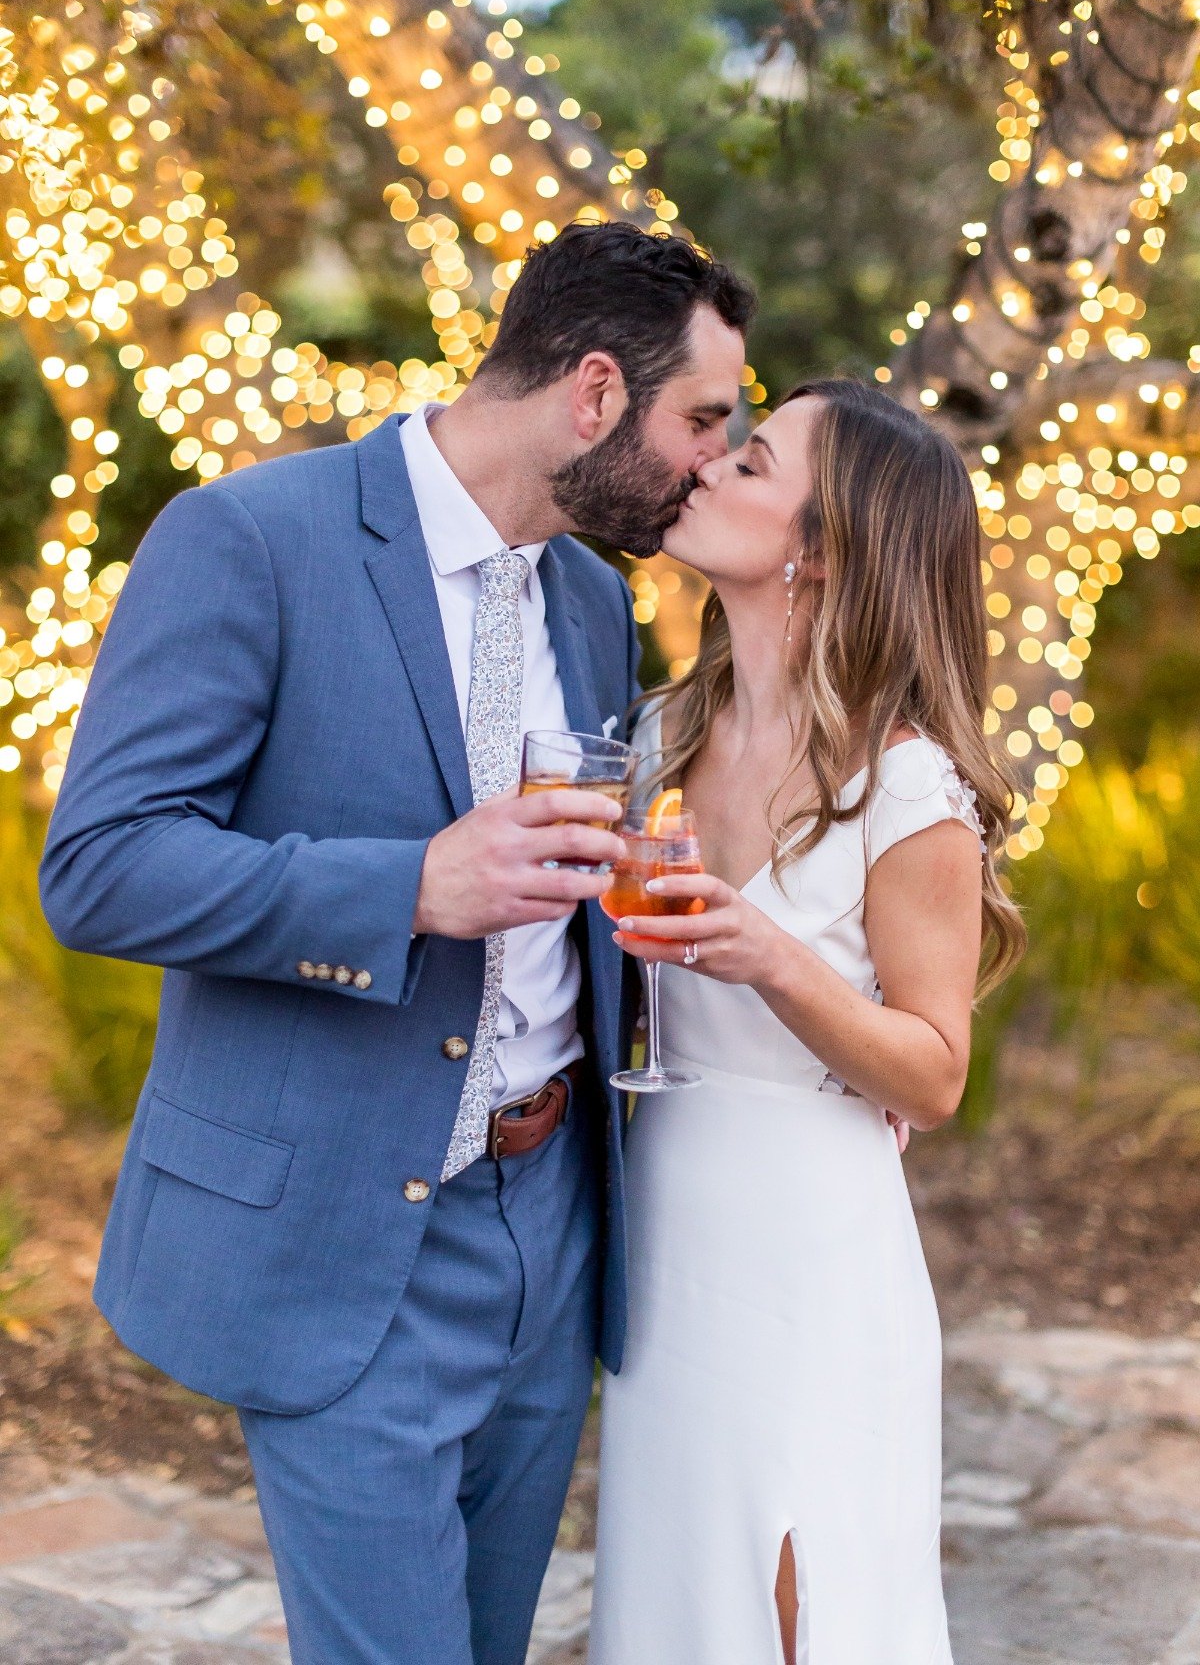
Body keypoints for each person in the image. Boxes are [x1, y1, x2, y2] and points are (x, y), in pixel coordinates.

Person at [39, 221, 755, 1665]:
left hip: (554, 1221)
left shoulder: (592, 598)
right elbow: (101, 869)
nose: (712, 465)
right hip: (346, 1233)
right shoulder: (249, 539)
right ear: (598, 393)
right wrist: (408, 886)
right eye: (704, 422)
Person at [588, 376, 1025, 1665]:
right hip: (664, 1230)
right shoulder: (655, 738)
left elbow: (936, 1074)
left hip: (813, 1250)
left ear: (823, 549)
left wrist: (775, 959)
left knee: (802, 1601)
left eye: (755, 461)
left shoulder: (908, 789)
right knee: (678, 1597)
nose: (712, 464)